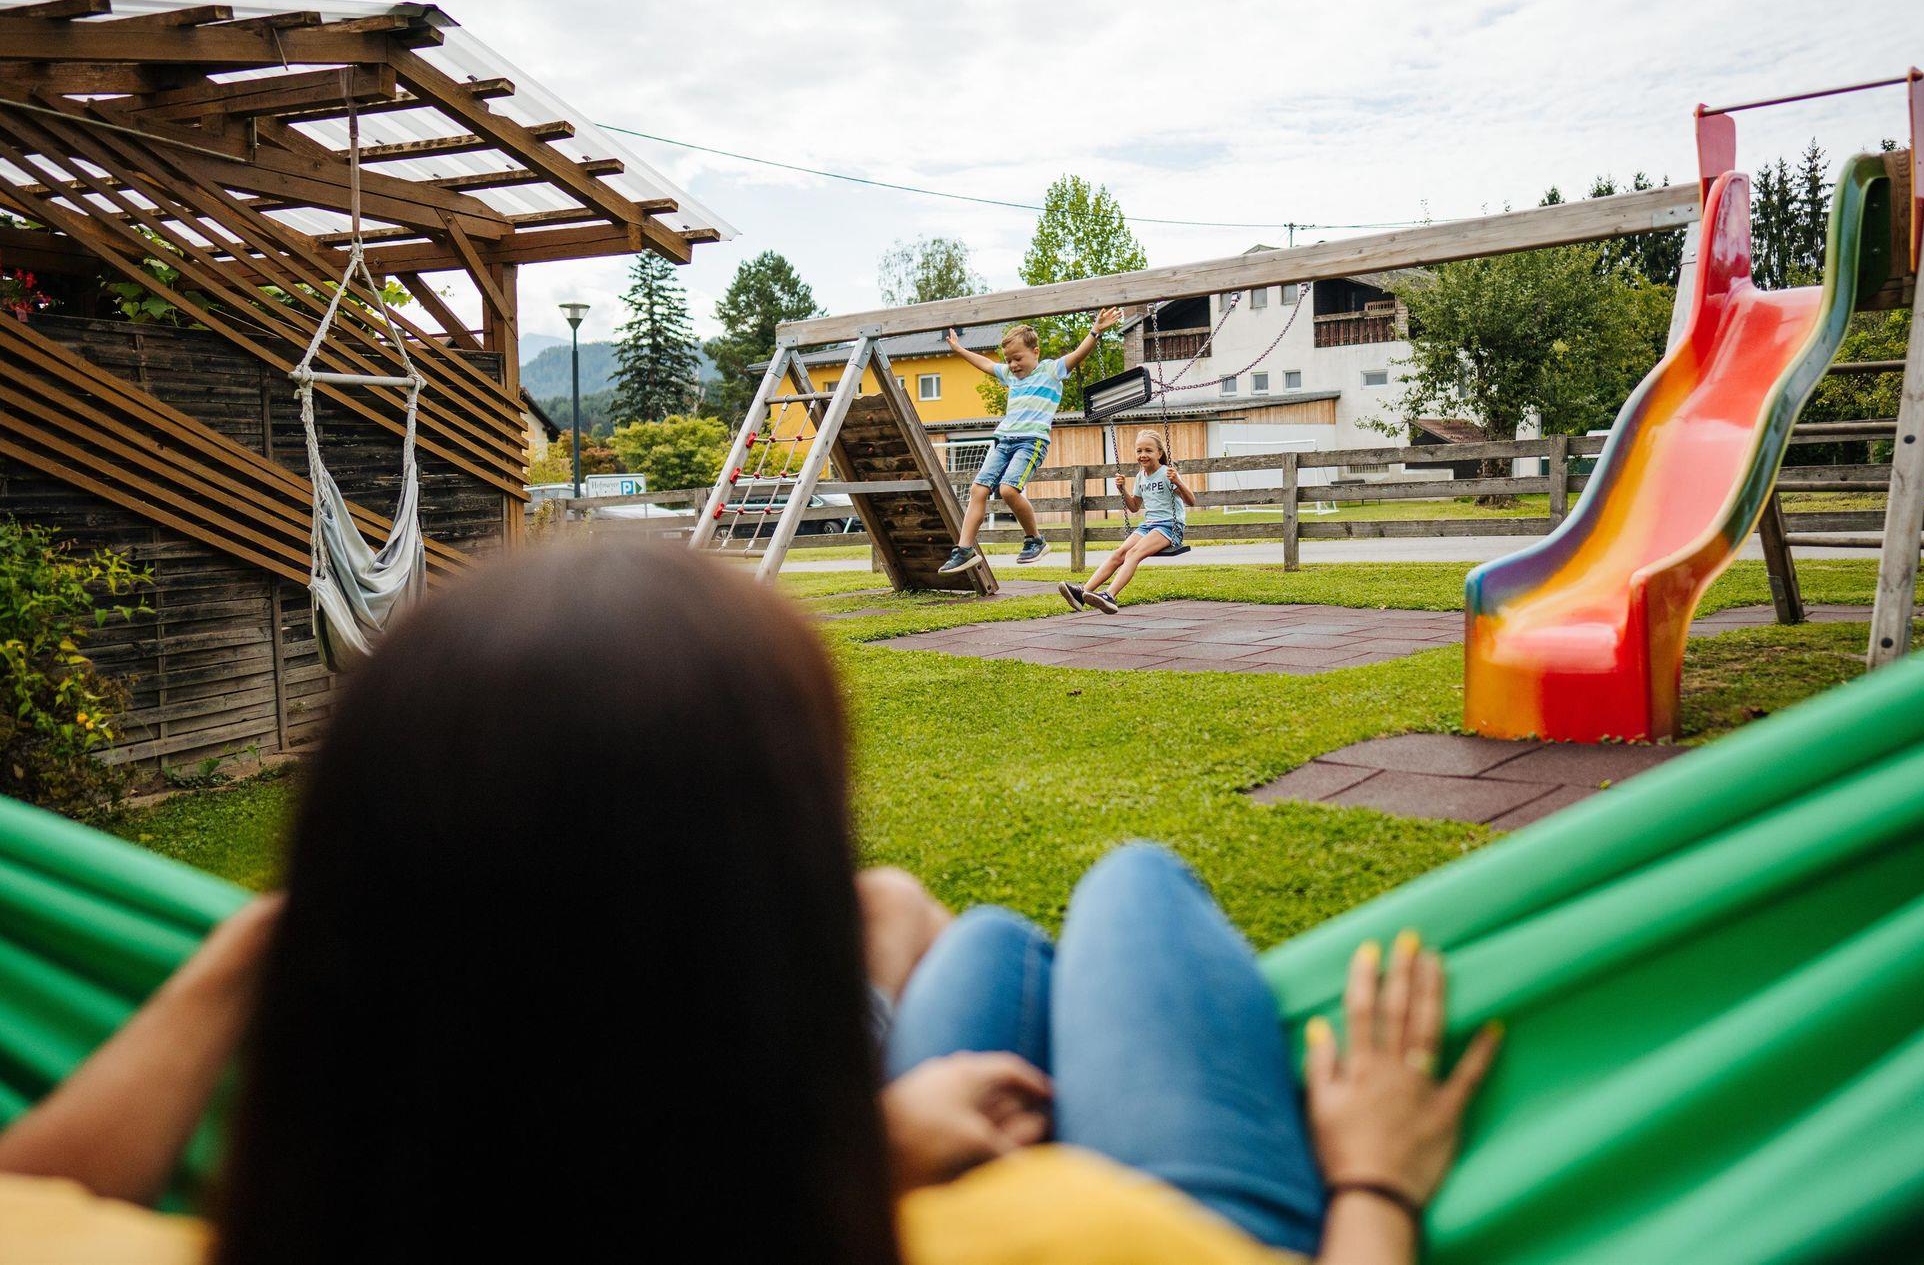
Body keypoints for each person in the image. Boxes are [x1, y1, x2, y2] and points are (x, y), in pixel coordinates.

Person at [0, 544, 1496, 1265]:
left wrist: (290, 932)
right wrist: (1372, 1184)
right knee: (1129, 888)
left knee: (975, 942)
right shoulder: (1072, 1234)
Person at [938, 308, 1122, 574]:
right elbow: (985, 364)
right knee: (978, 489)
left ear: (1035, 352)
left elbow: (1077, 355)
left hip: (1031, 441)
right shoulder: (1010, 376)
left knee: (1008, 490)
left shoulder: (1051, 370)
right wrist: (959, 349)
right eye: (1009, 360)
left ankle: (1035, 539)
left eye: (1018, 358)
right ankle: (964, 549)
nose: (1013, 365)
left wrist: (1095, 331)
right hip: (1004, 440)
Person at [1060, 428, 1194, 614]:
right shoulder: (1140, 477)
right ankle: (1082, 592)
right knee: (1119, 553)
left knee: (1133, 553)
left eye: (1148, 450)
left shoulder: (1167, 473)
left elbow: (1191, 501)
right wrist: (1122, 489)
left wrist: (1178, 482)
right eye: (1139, 451)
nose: (1143, 455)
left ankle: (1110, 595)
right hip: (1148, 525)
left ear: (1159, 453)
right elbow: (1134, 507)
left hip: (1169, 526)